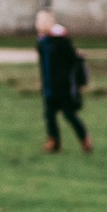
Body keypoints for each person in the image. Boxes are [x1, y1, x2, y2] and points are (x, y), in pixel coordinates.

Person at [35, 8, 91, 154]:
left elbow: (74, 61)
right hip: (49, 87)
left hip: (63, 88)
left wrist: (78, 82)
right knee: (49, 115)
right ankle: (54, 141)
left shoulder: (61, 41)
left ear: (50, 23)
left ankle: (84, 139)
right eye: (37, 21)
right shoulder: (42, 43)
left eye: (40, 21)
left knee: (69, 115)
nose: (37, 24)